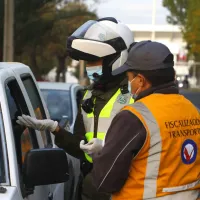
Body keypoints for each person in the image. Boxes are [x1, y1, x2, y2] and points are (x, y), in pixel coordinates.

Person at [17, 17, 134, 200]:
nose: (89, 67)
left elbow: (147, 149)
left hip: (123, 190)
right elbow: (80, 147)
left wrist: (105, 148)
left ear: (116, 58)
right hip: (91, 188)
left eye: (95, 60)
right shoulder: (89, 96)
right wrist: (55, 129)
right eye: (87, 62)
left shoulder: (134, 96)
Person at [86, 41, 200, 200]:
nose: (128, 83)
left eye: (129, 78)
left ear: (140, 80)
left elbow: (106, 181)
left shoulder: (133, 117)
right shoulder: (193, 111)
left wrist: (101, 154)